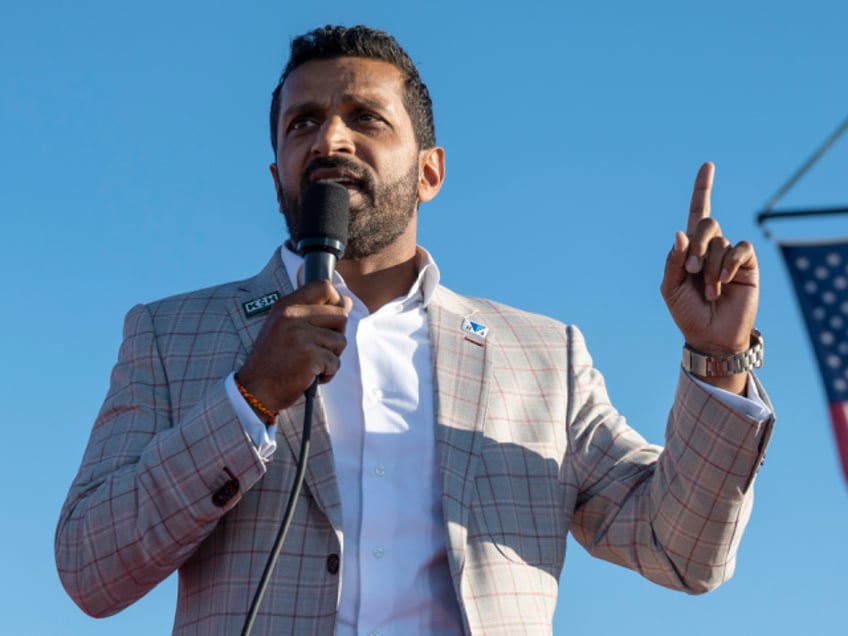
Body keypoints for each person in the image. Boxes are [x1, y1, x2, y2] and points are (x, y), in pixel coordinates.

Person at [55, 24, 774, 635]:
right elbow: (91, 569)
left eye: (365, 117)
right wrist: (249, 400)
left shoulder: (543, 357)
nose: (330, 137)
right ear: (278, 173)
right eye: (303, 122)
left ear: (430, 172)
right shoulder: (171, 335)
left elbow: (682, 549)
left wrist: (717, 357)